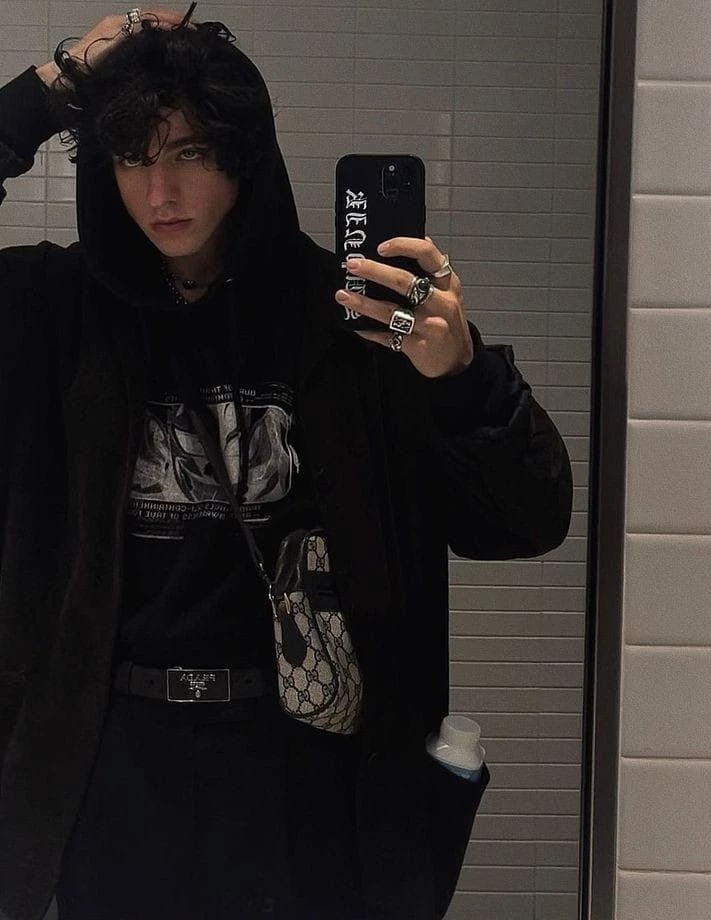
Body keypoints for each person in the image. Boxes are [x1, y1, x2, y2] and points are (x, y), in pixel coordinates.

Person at [0, 6, 573, 920]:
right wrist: (55, 85)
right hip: (109, 766)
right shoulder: (58, 311)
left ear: (243, 158)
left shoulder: (351, 319)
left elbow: (528, 519)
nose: (160, 191)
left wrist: (464, 377)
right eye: (133, 157)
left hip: (305, 764)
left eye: (189, 152)